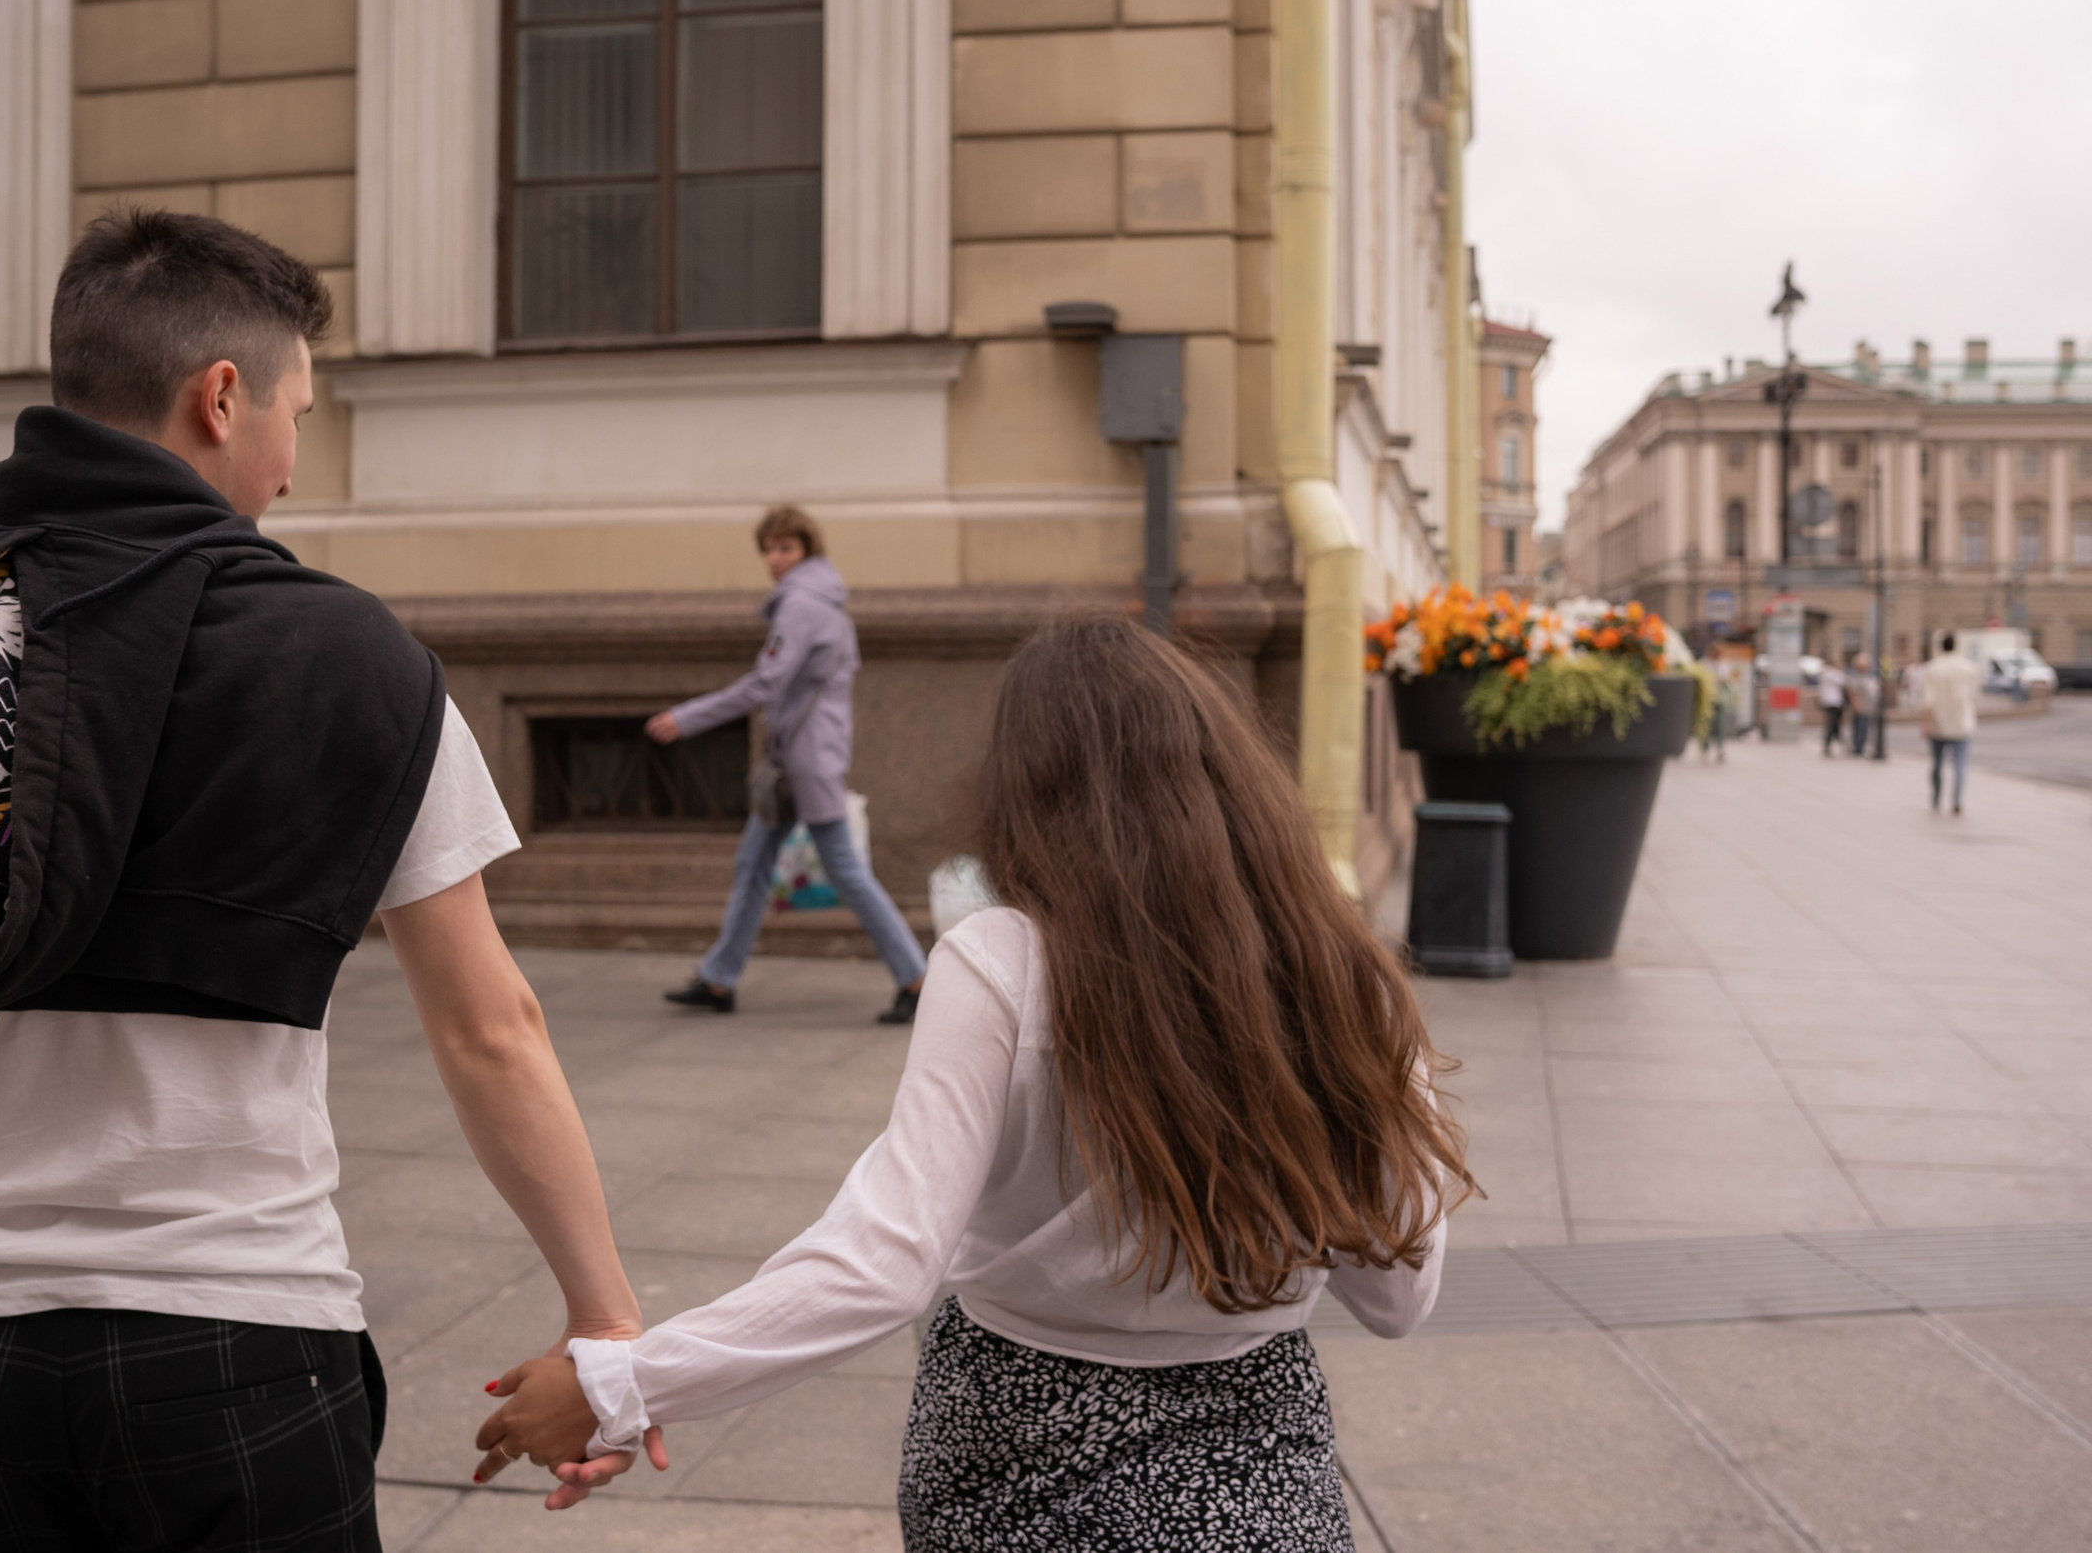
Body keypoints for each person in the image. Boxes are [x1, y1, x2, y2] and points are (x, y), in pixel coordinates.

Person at [0, 209, 650, 1549]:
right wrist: (606, 1320)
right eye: (298, 413)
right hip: (232, 1328)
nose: (295, 465)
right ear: (219, 398)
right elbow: (490, 1026)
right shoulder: (350, 658)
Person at [486, 617, 1474, 1550]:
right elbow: (1398, 1295)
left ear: (1027, 789)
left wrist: (624, 1382)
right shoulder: (1338, 968)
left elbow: (884, 1256)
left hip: (1014, 1441)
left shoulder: (1004, 959)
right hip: (1257, 1460)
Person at [649, 506, 929, 1024]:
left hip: (807, 764)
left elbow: (765, 684)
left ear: (807, 550)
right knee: (753, 866)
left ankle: (917, 977)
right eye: (768, 549)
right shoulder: (827, 602)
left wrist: (687, 718)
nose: (774, 559)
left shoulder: (801, 605)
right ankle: (718, 979)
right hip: (800, 760)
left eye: (786, 548)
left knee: (846, 870)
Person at [1920, 631, 1983, 815]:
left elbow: (1928, 700)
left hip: (1938, 723)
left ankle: (1937, 797)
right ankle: (1956, 799)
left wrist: (1924, 723)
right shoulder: (1968, 668)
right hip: (1962, 722)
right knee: (1960, 765)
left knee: (1937, 763)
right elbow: (1974, 697)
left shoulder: (1933, 667)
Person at [1848, 652, 1882, 757]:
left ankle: (1863, 747)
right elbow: (1852, 692)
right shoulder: (1855, 677)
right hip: (1861, 707)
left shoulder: (1870, 676)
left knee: (1867, 728)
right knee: (1860, 728)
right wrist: (1857, 705)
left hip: (1870, 706)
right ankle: (1858, 748)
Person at [1817, 657, 1849, 756]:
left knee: (1834, 724)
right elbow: (1844, 681)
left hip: (1828, 701)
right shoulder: (1832, 673)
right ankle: (1835, 743)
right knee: (1833, 724)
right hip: (1834, 702)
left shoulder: (1824, 673)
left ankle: (1837, 743)